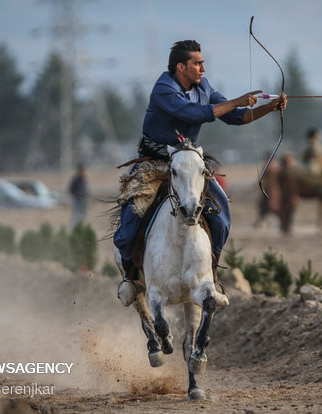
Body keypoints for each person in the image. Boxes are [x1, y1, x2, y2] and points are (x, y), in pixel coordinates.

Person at [115, 39, 286, 305]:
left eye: (203, 63)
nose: (203, 69)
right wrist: (237, 100)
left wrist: (268, 108)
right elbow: (197, 113)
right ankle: (130, 277)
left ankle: (211, 274)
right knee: (130, 219)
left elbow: (235, 116)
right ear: (181, 67)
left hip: (186, 164)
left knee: (221, 214)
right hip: (154, 163)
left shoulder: (203, 86)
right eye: (198, 63)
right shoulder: (164, 88)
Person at [69, 163, 90, 229]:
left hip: (84, 201)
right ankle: (74, 229)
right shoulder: (76, 180)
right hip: (78, 201)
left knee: (83, 217)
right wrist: (77, 195)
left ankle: (81, 228)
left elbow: (86, 190)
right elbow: (71, 190)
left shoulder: (84, 179)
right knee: (76, 216)